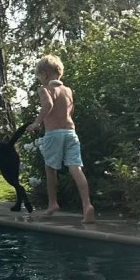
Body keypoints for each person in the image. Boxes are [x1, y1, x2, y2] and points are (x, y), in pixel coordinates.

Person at [27, 54, 95, 223]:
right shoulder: (68, 90)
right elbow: (70, 112)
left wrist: (36, 123)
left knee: (50, 168)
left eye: (39, 76)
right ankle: (87, 205)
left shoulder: (45, 89)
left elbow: (48, 105)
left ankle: (52, 203)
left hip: (54, 134)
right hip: (70, 133)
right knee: (75, 168)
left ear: (44, 73)